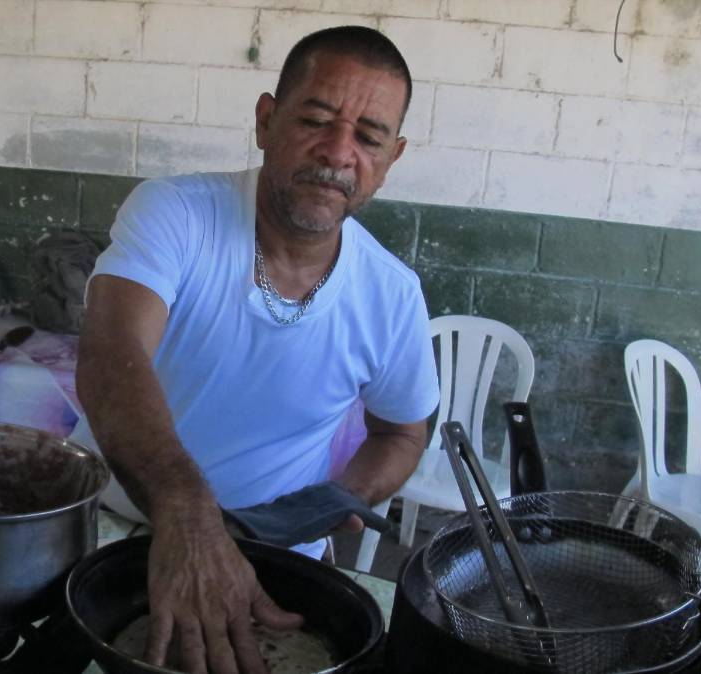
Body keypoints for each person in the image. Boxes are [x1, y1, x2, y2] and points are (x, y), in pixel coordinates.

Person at [73, 25, 440, 674]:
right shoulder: (176, 214)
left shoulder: (393, 295)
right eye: (316, 119)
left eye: (368, 137)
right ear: (266, 120)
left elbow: (403, 431)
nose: (337, 152)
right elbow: (110, 353)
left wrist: (334, 501)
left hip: (274, 559)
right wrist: (188, 516)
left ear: (391, 158)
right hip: (117, 532)